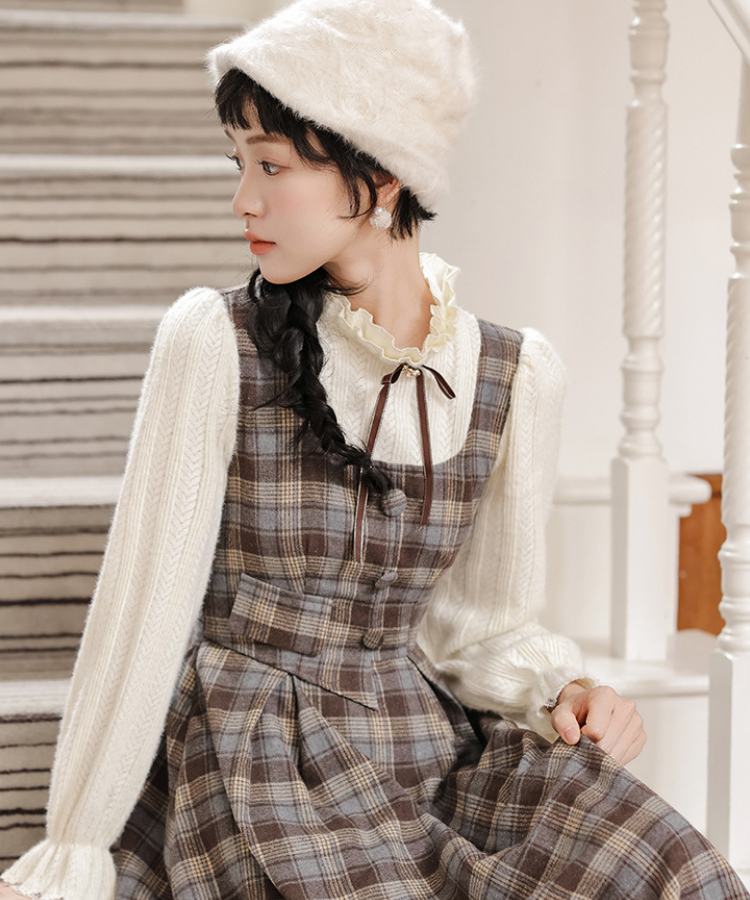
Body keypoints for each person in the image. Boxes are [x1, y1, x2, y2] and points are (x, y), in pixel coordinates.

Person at [1, 0, 748, 897]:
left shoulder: (514, 374)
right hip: (257, 757)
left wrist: (561, 693)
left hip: (424, 746)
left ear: (383, 174)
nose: (242, 201)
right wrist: (78, 845)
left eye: (271, 165)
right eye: (239, 165)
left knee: (673, 867)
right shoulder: (214, 342)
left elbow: (481, 626)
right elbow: (141, 623)